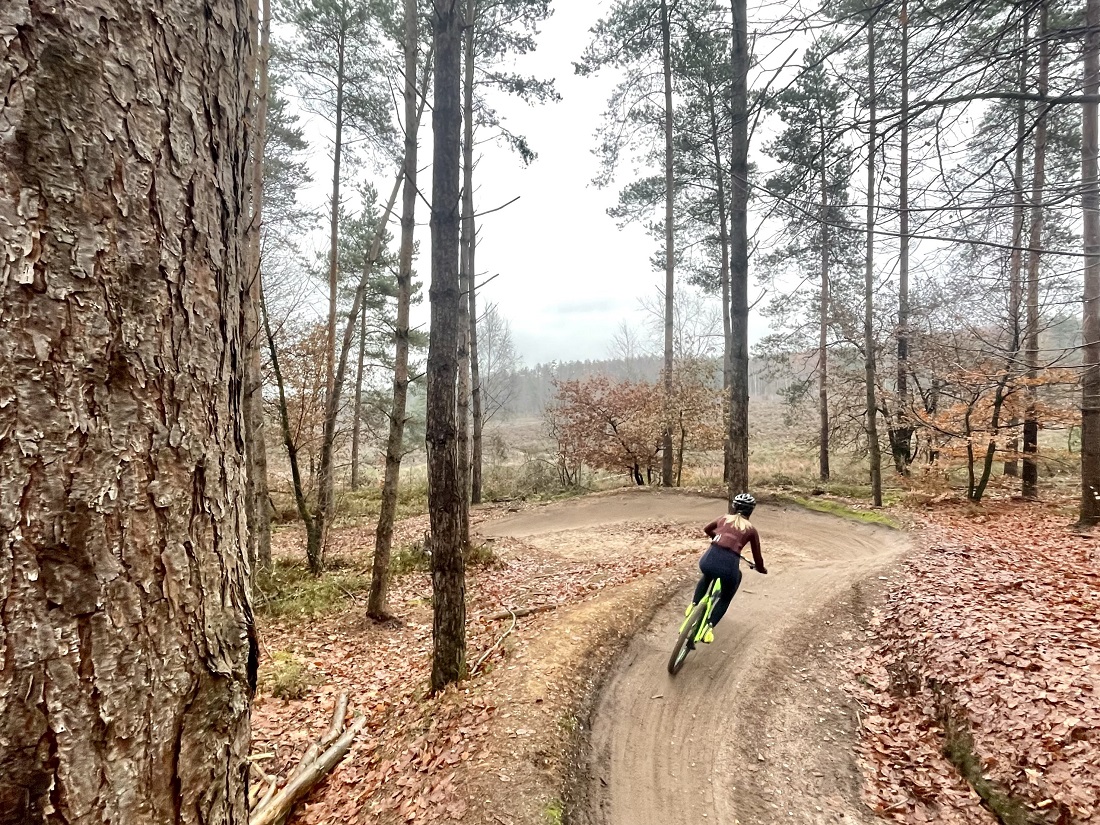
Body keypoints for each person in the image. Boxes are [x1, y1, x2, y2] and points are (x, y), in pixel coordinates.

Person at [688, 492, 767, 643]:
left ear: (734, 507)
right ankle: (708, 628)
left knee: (707, 575)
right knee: (725, 596)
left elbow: (707, 529)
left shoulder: (723, 518)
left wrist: (718, 538)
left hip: (708, 559)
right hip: (728, 566)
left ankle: (693, 606)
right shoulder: (751, 530)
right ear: (751, 511)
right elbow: (757, 557)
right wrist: (761, 569)